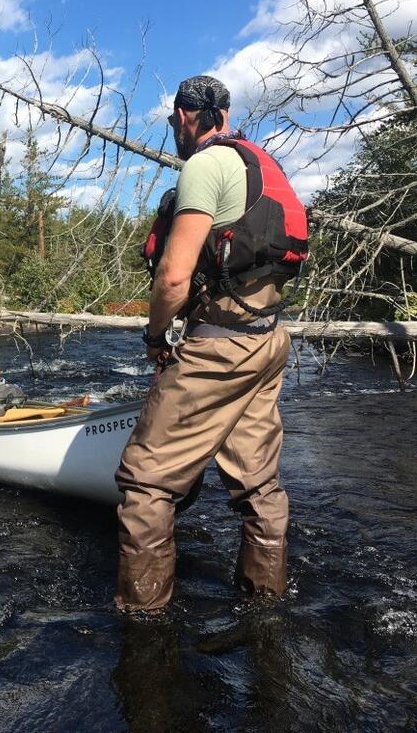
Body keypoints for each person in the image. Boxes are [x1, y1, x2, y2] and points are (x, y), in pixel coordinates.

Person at [115, 75, 308, 613]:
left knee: (146, 485)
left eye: (175, 119)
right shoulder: (258, 163)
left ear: (186, 115)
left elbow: (174, 278)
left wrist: (156, 336)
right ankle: (265, 605)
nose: (175, 127)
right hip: (267, 341)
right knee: (258, 485)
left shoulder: (203, 164)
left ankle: (144, 625)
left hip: (219, 348)